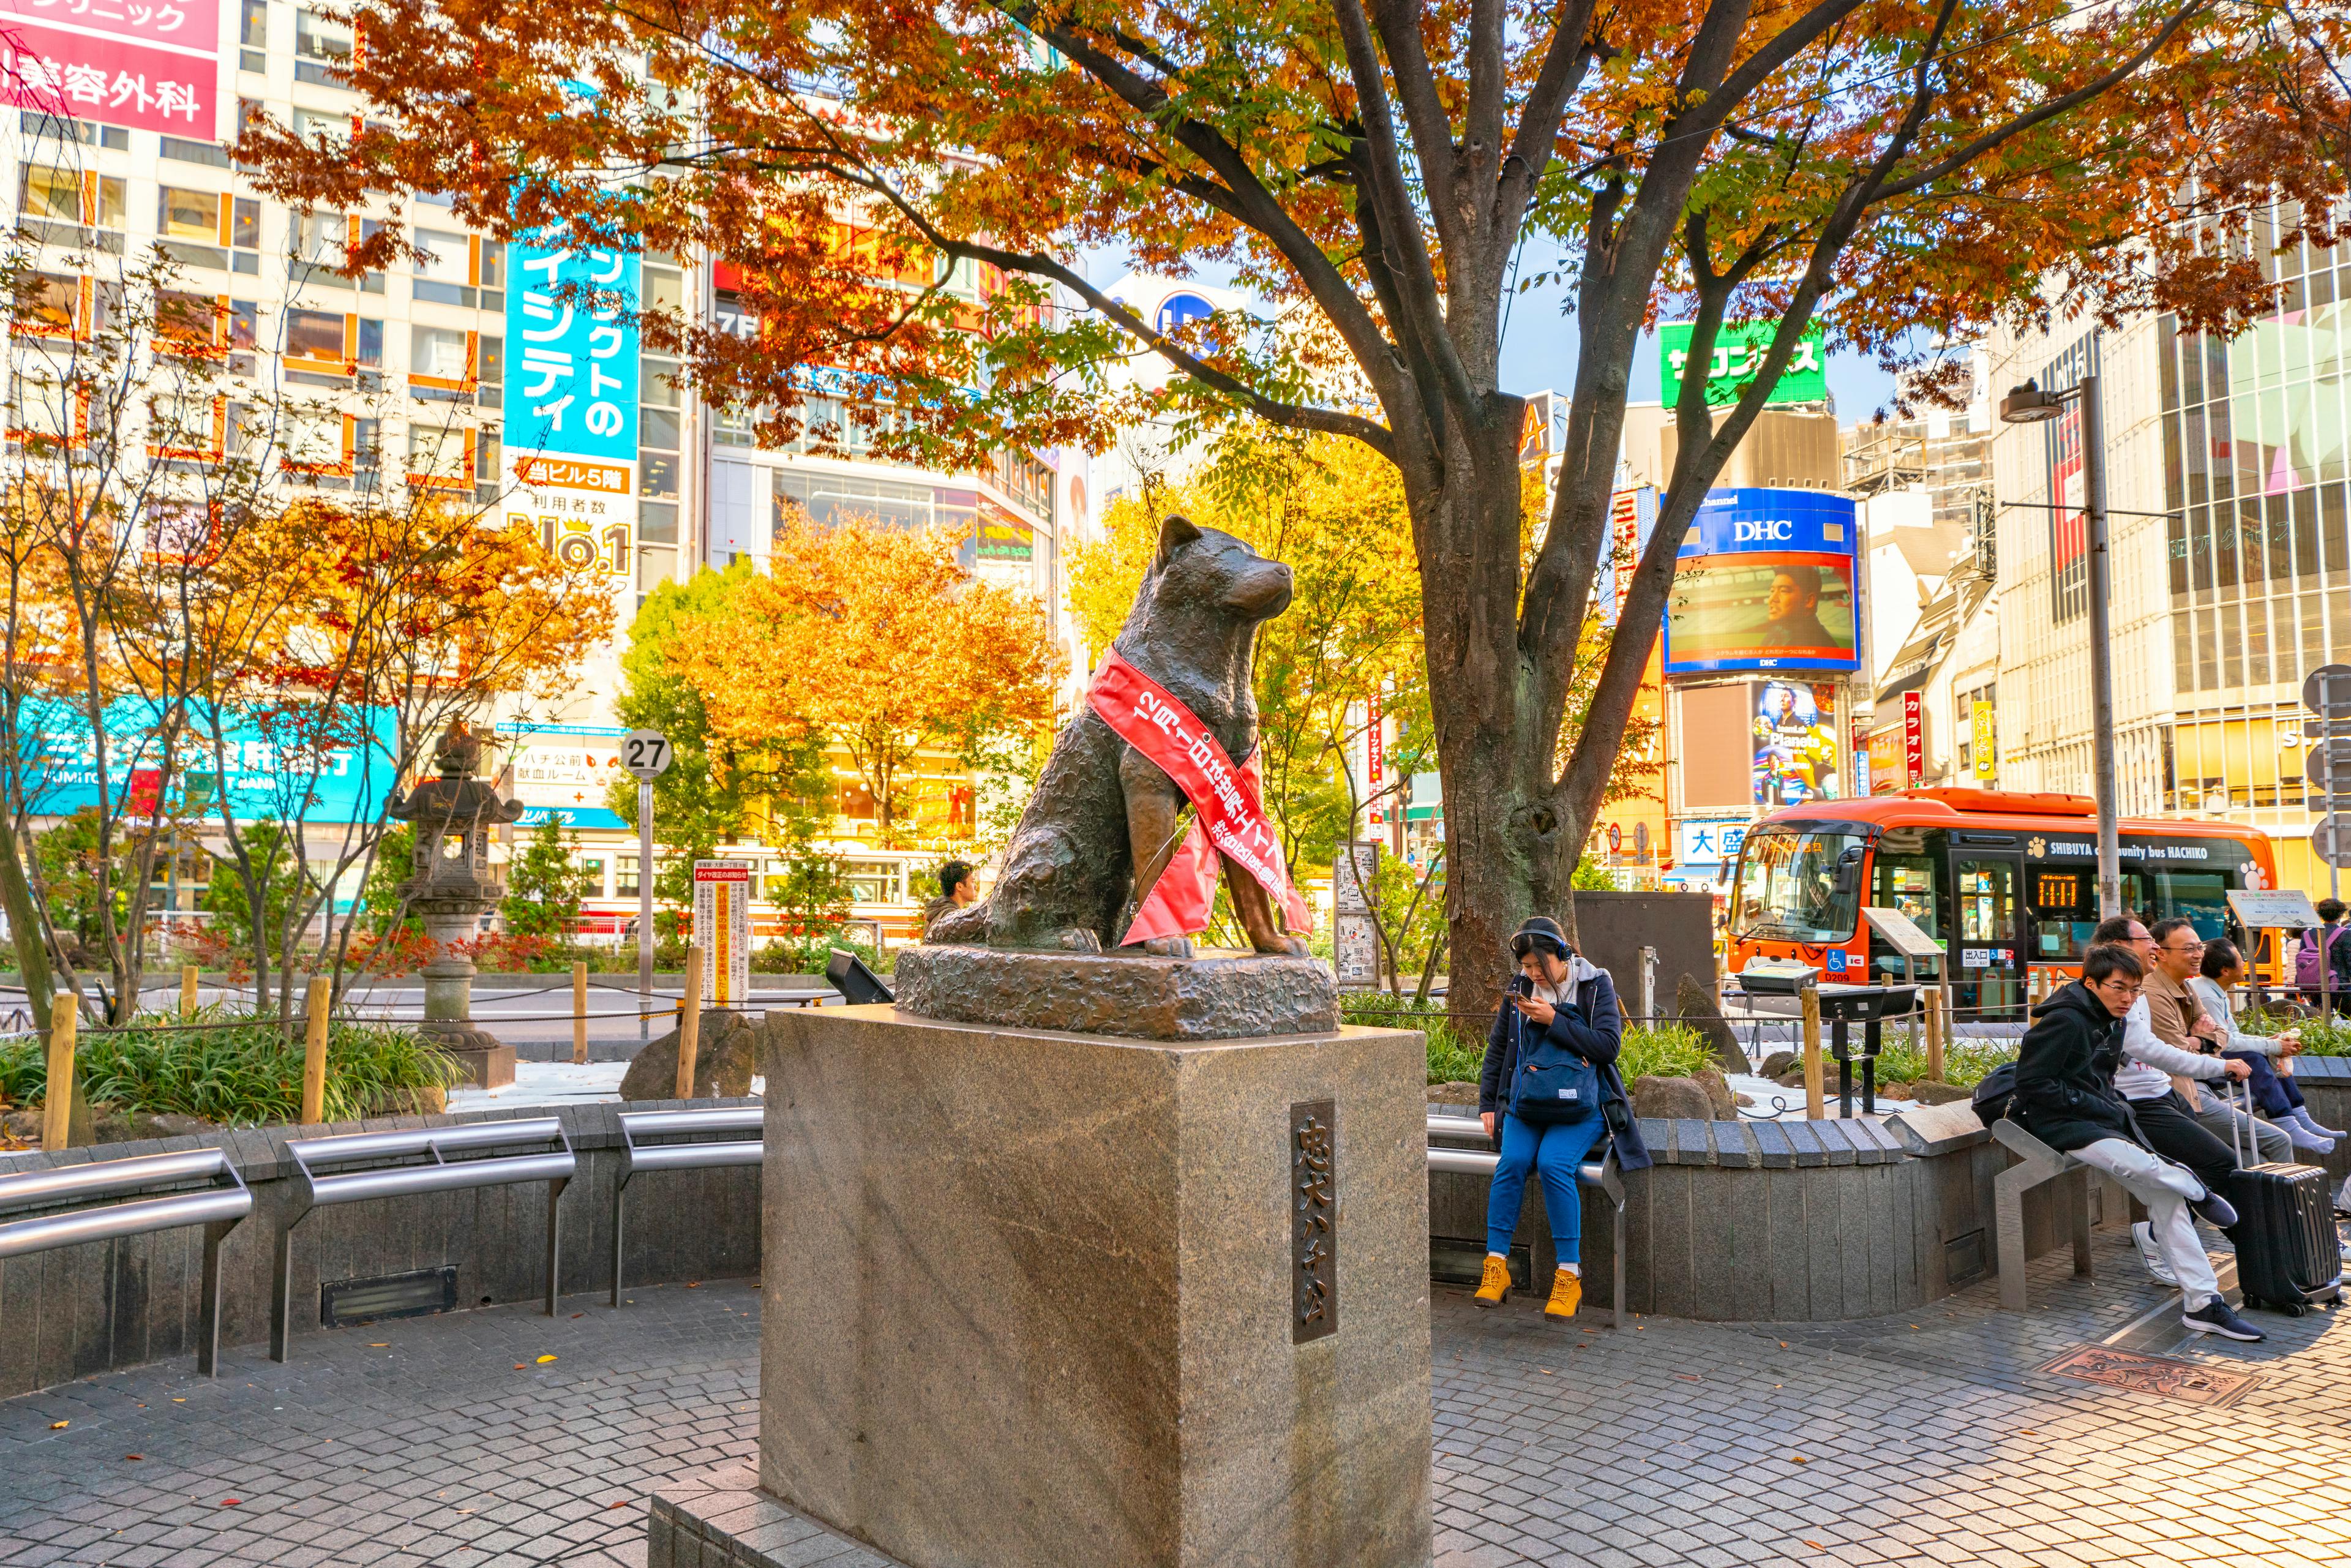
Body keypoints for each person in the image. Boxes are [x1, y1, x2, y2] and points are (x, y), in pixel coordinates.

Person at [2011, 943, 2263, 1341]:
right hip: (2059, 1125)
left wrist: (2107, 1107)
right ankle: (2196, 1187)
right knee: (2149, 1168)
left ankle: (2203, 1303)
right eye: (2118, 988)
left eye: (2134, 990)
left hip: (2096, 1121)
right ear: (2090, 982)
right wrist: (2094, 1105)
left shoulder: (2114, 1020)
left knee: (2166, 1198)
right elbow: (2032, 1084)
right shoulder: (2065, 1021)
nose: (2127, 998)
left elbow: (2107, 1078)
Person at [1474, 917, 1651, 1321]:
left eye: (1540, 965)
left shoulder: (1595, 985)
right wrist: (1489, 1102)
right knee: (1512, 1163)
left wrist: (1554, 1019)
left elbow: (1608, 1046)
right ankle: (1496, 1266)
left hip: (1582, 1102)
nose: (1533, 973)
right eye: (1527, 967)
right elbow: (1499, 1048)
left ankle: (1569, 1275)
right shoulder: (1518, 989)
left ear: (1563, 954)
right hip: (1529, 1100)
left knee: (1555, 1164)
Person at [2086, 915, 2261, 1285]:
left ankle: (2157, 1236)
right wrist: (2215, 1063)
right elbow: (2150, 1047)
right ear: (2119, 946)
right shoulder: (2118, 994)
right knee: (2219, 1164)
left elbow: (2203, 1035)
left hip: (2164, 1092)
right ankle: (2263, 1258)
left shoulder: (2138, 990)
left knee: (2198, 1173)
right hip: (2137, 1105)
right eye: (2147, 940)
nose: (2155, 947)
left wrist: (2206, 1046)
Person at [2194, 939, 2342, 1153]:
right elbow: (2225, 1041)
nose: (2244, 964)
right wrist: (2270, 1045)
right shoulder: (2207, 994)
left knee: (2269, 1055)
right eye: (2240, 960)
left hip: (2215, 1049)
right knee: (2256, 1057)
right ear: (2225, 970)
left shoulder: (2216, 989)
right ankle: (2288, 1124)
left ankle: (2300, 1118)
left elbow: (2232, 1035)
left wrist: (2271, 1042)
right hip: (2205, 1056)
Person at [1758, 565, 1835, 650]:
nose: (1772, 599)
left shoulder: (1822, 644)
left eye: (1783, 591)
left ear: (1809, 601)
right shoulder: (1775, 633)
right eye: (1772, 591)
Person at [922, 861, 977, 934]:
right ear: (959, 886)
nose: (976, 886)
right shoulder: (952, 916)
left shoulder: (939, 911)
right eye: (973, 881)